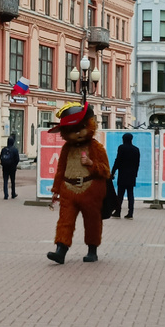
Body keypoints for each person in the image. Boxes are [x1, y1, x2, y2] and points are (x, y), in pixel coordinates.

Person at [47, 102, 111, 264]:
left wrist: (91, 163)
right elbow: (61, 169)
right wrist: (56, 189)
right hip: (68, 189)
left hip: (90, 189)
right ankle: (60, 250)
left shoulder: (96, 147)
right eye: (72, 130)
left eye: (81, 127)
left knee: (92, 221)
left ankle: (92, 249)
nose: (78, 133)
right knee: (65, 221)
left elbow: (106, 171)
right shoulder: (67, 149)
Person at [110, 133, 140, 220]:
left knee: (120, 194)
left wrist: (113, 171)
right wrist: (135, 174)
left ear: (124, 139)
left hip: (122, 174)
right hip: (131, 175)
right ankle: (130, 213)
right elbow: (137, 163)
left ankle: (118, 212)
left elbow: (118, 160)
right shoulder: (136, 150)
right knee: (130, 194)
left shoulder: (121, 147)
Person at [0, 134, 21, 200]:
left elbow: (0, 157)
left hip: (5, 167)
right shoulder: (15, 150)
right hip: (12, 168)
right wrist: (15, 165)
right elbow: (17, 159)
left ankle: (6, 195)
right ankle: (13, 194)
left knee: (5, 181)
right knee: (12, 181)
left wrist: (3, 164)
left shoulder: (4, 149)